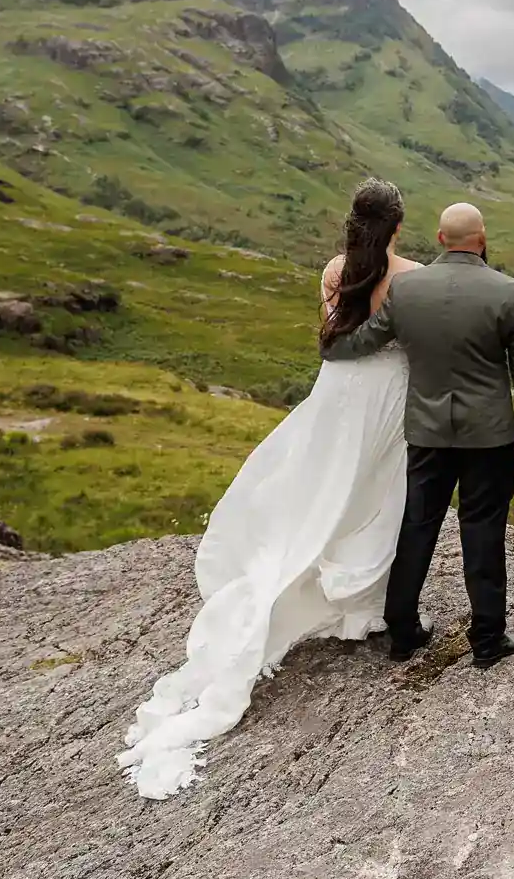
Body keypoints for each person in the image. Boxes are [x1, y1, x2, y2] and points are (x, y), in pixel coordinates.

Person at [116, 178, 416, 800]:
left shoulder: (335, 268)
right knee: (377, 496)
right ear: (398, 224)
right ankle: (358, 607)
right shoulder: (412, 274)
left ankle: (310, 582)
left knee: (320, 489)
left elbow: (330, 334)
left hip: (338, 392)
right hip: (388, 396)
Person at [320, 200, 514, 670]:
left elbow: (367, 339)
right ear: (481, 239)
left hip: (426, 432)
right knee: (483, 531)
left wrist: (331, 345)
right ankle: (487, 639)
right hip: (489, 436)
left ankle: (403, 632)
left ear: (441, 240)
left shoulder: (407, 288)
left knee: (417, 528)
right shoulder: (508, 292)